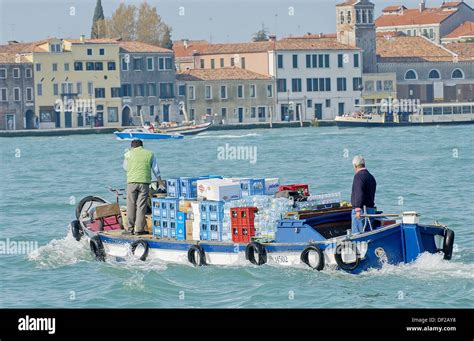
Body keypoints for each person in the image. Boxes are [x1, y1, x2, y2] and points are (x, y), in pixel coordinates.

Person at [123, 139, 161, 235]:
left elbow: (125, 167)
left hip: (132, 182)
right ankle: (139, 230)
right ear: (142, 146)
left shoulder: (128, 154)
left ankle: (129, 229)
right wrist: (160, 181)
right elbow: (155, 169)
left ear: (132, 147)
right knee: (141, 206)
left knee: (130, 205)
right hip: (144, 182)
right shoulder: (150, 153)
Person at [350, 155, 377, 234]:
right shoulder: (371, 177)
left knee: (358, 237)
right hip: (371, 210)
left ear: (355, 166)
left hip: (361, 211)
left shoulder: (358, 176)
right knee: (368, 234)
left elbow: (359, 192)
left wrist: (358, 209)